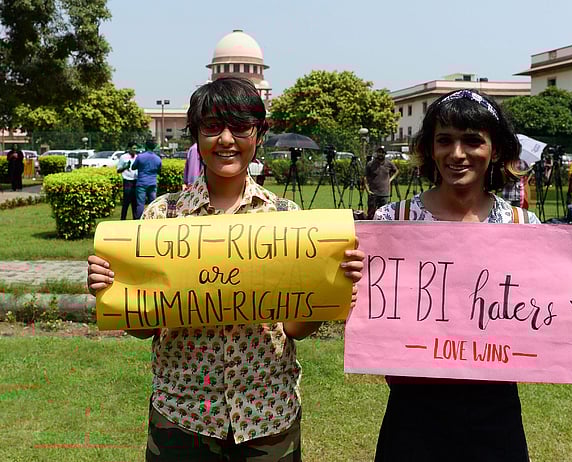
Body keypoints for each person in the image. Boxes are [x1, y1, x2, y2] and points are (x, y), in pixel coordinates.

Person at [87, 77, 365, 461]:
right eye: (212, 127)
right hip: (183, 415)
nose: (226, 139)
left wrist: (330, 289)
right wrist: (113, 289)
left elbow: (295, 329)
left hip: (267, 414)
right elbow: (143, 327)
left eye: (240, 127)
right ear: (196, 136)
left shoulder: (288, 220)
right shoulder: (161, 217)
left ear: (259, 134)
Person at [371, 89, 572, 461]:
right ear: (430, 149)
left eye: (472, 141)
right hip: (412, 408)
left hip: (494, 408)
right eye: (444, 140)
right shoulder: (392, 222)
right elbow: (371, 303)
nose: (457, 154)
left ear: (495, 149)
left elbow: (554, 304)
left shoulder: (523, 226)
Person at [131, 139, 162, 219]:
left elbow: (133, 167)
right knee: (153, 203)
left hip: (141, 183)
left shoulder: (140, 157)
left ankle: (139, 220)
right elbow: (159, 170)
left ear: (146, 146)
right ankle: (152, 218)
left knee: (140, 204)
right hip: (152, 183)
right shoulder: (157, 158)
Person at [364, 146, 399, 219]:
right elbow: (365, 177)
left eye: (382, 152)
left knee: (384, 213)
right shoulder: (370, 164)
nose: (380, 154)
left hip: (384, 193)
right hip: (373, 193)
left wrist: (390, 179)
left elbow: (396, 171)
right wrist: (367, 190)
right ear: (376, 153)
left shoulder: (389, 163)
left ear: (385, 154)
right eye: (379, 152)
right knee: (371, 213)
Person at [116, 142, 138, 220]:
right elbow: (118, 170)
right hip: (128, 181)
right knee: (126, 202)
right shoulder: (123, 157)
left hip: (136, 181)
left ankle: (135, 219)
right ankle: (123, 219)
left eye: (136, 148)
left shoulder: (137, 157)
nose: (135, 150)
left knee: (135, 202)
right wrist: (125, 167)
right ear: (129, 148)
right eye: (133, 148)